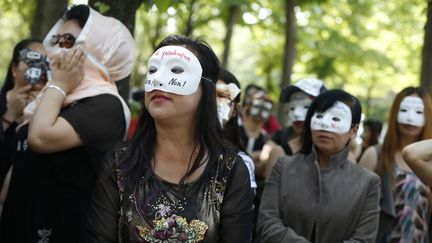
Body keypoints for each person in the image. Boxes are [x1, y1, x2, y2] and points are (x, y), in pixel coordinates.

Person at [86, 35, 254, 242]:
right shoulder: (119, 164)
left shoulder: (230, 171)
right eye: (153, 70)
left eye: (176, 70)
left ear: (207, 90)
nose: (158, 79)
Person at [0, 5, 135, 243]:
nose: (56, 49)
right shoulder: (54, 96)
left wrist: (59, 85)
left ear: (98, 49)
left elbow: (39, 138)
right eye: (57, 39)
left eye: (69, 41)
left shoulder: (106, 105)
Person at [258, 89, 381, 242]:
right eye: (320, 116)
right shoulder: (283, 167)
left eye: (336, 119)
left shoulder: (368, 182)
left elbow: (364, 238)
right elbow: (266, 222)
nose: (324, 125)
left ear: (353, 131)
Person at [359, 86, 432, 243]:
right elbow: (355, 205)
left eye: (419, 112)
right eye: (404, 110)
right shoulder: (375, 155)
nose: (410, 119)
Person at [0, 39, 47, 212]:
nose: (40, 67)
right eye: (32, 60)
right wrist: (9, 116)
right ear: (14, 69)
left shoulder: (52, 111)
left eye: (46, 62)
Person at [261, 77, 327, 178]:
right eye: (292, 108)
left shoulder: (339, 156)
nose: (296, 114)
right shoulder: (279, 154)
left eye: (306, 107)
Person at [216, 69, 257, 194]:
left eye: (222, 96)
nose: (212, 102)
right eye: (206, 94)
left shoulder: (241, 164)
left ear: (235, 110)